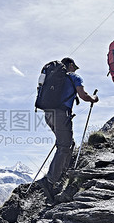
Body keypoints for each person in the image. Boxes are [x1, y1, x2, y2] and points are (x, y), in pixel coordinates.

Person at [38, 57, 99, 202]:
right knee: (64, 146)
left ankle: (62, 173)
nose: (75, 69)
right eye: (74, 67)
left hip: (48, 114)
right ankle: (50, 181)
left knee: (68, 144)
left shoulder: (52, 78)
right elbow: (83, 96)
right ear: (70, 65)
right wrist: (94, 98)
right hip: (61, 114)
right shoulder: (74, 77)